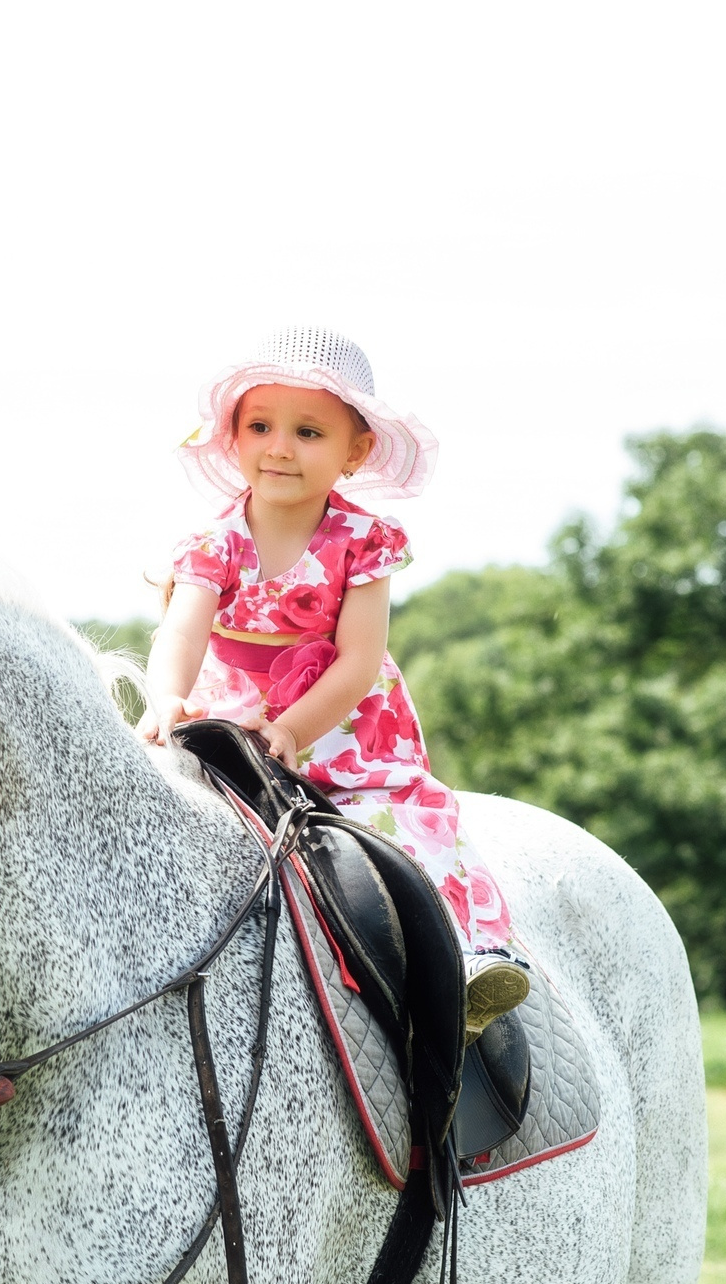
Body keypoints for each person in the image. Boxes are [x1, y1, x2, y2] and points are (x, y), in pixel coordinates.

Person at [135, 327, 529, 1035]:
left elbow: (359, 657)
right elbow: (184, 631)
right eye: (260, 426)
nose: (279, 446)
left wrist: (293, 728)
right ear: (234, 438)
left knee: (406, 818)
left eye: (308, 431)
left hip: (343, 728)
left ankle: (473, 956)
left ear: (354, 451)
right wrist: (166, 697)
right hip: (239, 724)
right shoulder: (212, 541)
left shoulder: (362, 541)